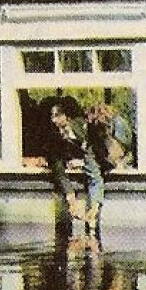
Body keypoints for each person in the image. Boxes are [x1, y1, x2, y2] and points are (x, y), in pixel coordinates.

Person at [42, 95, 106, 227]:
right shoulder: (54, 137)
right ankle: (79, 207)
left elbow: (96, 153)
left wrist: (82, 162)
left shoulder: (82, 126)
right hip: (68, 166)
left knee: (95, 174)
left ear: (67, 116)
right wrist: (70, 197)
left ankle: (94, 210)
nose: (53, 120)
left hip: (92, 160)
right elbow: (57, 166)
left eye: (57, 115)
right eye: (52, 116)